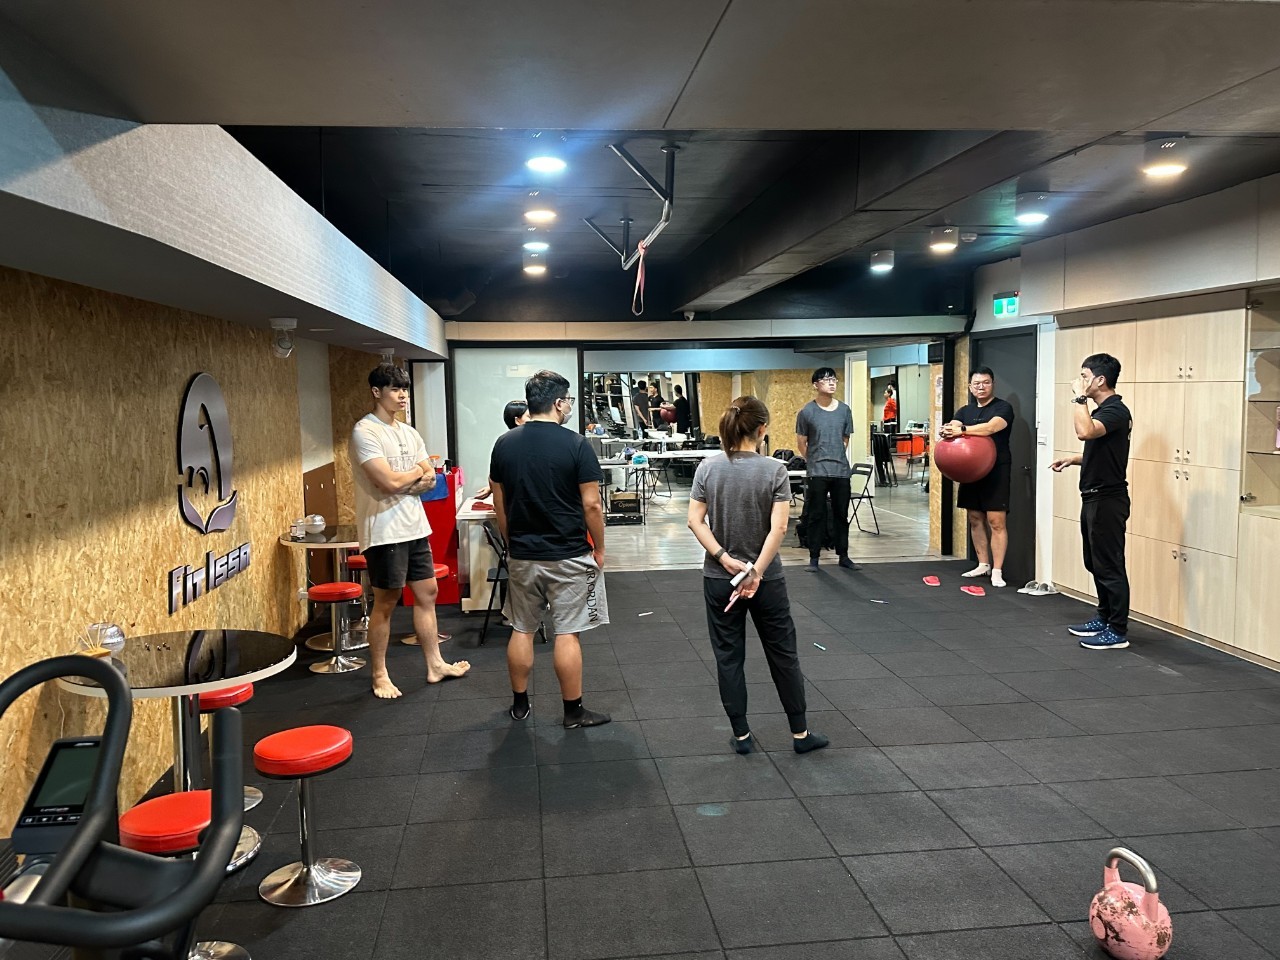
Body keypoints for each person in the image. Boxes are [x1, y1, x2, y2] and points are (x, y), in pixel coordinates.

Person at [688, 396, 829, 756]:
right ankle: (800, 734)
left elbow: (695, 521)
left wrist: (723, 558)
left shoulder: (707, 468)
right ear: (762, 429)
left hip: (720, 579)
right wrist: (756, 572)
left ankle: (741, 736)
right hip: (766, 581)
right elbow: (779, 528)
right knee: (783, 654)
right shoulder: (774, 470)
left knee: (728, 656)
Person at [490, 369, 612, 727]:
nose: (569, 406)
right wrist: (600, 548)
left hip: (523, 554)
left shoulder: (504, 443)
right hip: (569, 553)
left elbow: (499, 502)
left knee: (522, 629)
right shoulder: (576, 444)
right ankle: (573, 712)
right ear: (558, 403)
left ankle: (520, 705)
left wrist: (511, 543)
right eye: (568, 400)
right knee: (567, 633)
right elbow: (592, 505)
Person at [351, 363, 471, 698]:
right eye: (395, 389)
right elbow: (387, 482)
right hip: (384, 529)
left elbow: (430, 477)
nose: (403, 395)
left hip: (415, 526)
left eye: (404, 389)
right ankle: (379, 674)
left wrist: (406, 479)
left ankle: (435, 664)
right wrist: (412, 476)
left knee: (428, 593)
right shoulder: (366, 431)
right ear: (377, 392)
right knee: (387, 601)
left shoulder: (409, 432)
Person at [1050, 354, 1133, 650]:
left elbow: (1084, 432)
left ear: (1100, 379)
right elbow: (1104, 452)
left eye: (1084, 376)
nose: (1080, 380)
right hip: (1094, 497)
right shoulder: (1104, 411)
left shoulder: (1116, 410)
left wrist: (1078, 398)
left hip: (1108, 499)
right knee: (1094, 562)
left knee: (1109, 565)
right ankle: (1104, 616)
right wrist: (1075, 460)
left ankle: (1118, 630)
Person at [941, 367, 1016, 589]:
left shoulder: (1003, 407)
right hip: (970, 471)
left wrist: (962, 430)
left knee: (996, 521)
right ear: (970, 387)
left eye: (985, 382)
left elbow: (991, 427)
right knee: (974, 518)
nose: (981, 387)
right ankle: (983, 564)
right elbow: (953, 425)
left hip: (996, 470)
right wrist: (948, 430)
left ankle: (997, 571)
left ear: (992, 384)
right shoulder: (965, 410)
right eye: (976, 383)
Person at [795, 366, 856, 571]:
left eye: (834, 379)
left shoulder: (844, 410)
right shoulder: (807, 412)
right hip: (818, 471)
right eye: (826, 379)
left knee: (841, 515)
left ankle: (843, 555)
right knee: (816, 515)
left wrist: (835, 453)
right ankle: (814, 557)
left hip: (841, 471)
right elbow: (801, 442)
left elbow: (845, 438)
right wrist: (813, 460)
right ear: (815, 385)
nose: (831, 383)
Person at [475, 400, 529, 499]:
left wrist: (492, 488)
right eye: (529, 416)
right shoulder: (508, 445)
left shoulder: (503, 442)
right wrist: (494, 488)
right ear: (517, 421)